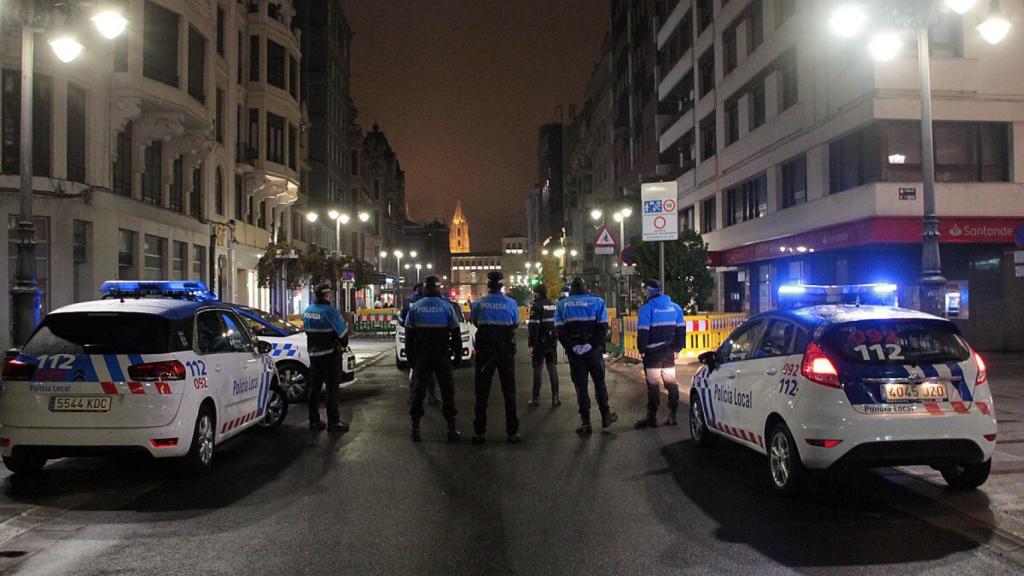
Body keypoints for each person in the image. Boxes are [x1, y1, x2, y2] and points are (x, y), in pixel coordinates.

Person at [555, 277, 618, 434]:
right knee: (599, 382)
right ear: (585, 288)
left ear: (571, 290)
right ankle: (605, 416)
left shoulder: (562, 304)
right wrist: (591, 345)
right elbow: (603, 328)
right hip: (593, 351)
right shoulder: (597, 302)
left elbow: (560, 331)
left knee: (580, 386)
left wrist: (572, 347)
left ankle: (585, 421)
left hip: (575, 353)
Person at [405, 276, 463, 443]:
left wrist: (411, 360)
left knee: (418, 392)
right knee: (447, 392)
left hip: (422, 356)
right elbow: (456, 334)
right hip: (442, 355)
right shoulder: (447, 307)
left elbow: (409, 336)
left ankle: (415, 428)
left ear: (424, 289)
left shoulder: (415, 307)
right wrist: (457, 357)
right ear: (438, 289)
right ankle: (451, 429)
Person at [470, 271, 520, 444]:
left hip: (484, 351)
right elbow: (515, 323)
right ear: (502, 284)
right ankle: (512, 432)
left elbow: (474, 322)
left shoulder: (478, 304)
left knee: (481, 392)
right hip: (505, 350)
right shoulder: (511, 303)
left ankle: (479, 432)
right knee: (509, 392)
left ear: (488, 286)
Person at [634, 279, 686, 428]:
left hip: (652, 355)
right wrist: (677, 349)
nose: (644, 293)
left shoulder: (646, 309)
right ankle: (673, 415)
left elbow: (643, 333)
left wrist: (642, 350)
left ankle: (652, 417)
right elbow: (681, 331)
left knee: (653, 385)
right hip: (668, 353)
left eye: (645, 290)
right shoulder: (675, 308)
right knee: (671, 383)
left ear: (649, 291)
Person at [302, 284, 350, 432]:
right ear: (326, 295)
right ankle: (333, 422)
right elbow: (343, 335)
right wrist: (342, 343)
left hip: (314, 356)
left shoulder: (308, 311)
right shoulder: (331, 312)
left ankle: (314, 421)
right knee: (331, 389)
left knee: (314, 389)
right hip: (330, 355)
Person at [401, 284, 439, 406]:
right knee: (430, 372)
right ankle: (431, 396)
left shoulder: (410, 304)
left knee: (415, 371)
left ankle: (413, 397)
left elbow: (403, 322)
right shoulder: (431, 303)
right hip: (429, 342)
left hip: (415, 341)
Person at [527, 284, 560, 407]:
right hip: (552, 342)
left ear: (538, 293)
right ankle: (555, 397)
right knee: (552, 369)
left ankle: (536, 398)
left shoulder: (536, 307)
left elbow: (533, 327)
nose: (533, 295)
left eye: (534, 293)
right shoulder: (552, 305)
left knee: (538, 370)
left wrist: (531, 344)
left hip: (539, 343)